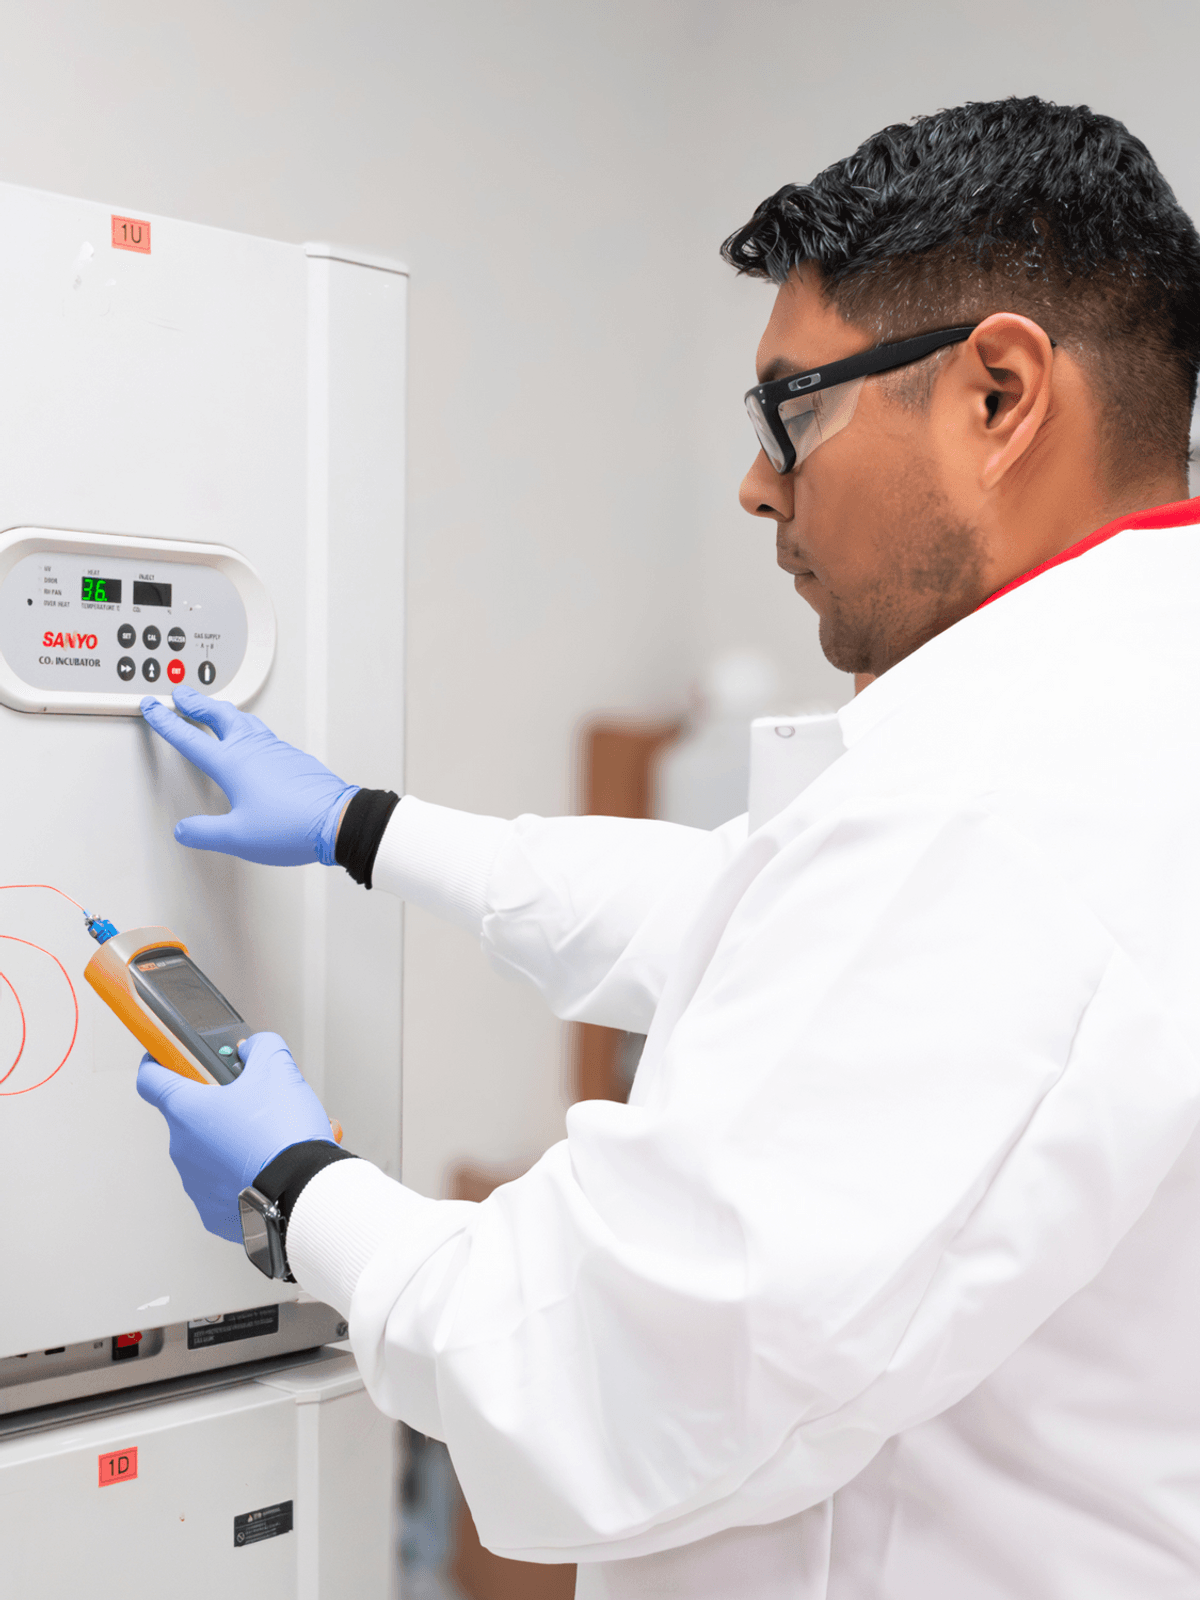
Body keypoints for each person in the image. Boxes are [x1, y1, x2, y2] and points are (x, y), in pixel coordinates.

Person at [136, 97, 1200, 1598]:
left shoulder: (998, 794)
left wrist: (301, 1192)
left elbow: (587, 1368)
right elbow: (753, 912)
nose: (760, 483)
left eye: (793, 411)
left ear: (997, 394)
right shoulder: (1122, 702)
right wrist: (368, 829)